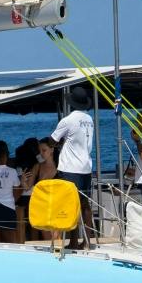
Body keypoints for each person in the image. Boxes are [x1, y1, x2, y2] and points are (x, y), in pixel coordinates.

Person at [50, 85, 96, 246]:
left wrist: (60, 143)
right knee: (85, 205)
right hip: (86, 167)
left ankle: (74, 241)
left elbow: (52, 141)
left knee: (71, 205)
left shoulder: (68, 120)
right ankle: (88, 240)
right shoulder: (89, 119)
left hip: (70, 169)